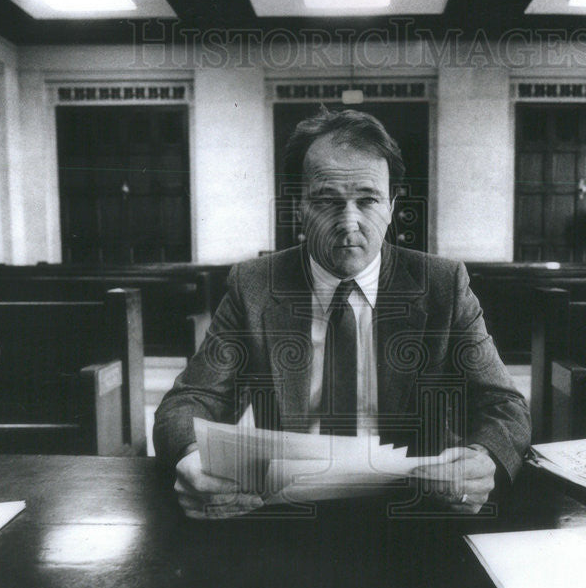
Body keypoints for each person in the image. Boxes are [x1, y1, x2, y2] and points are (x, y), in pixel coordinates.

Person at [154, 108, 530, 519]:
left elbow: (503, 403)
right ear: (299, 206)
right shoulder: (255, 285)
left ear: (392, 206)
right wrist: (190, 458)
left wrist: (482, 458)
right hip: (288, 510)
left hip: (417, 508)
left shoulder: (442, 284)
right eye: (326, 201)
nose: (348, 222)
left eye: (367, 200)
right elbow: (190, 400)